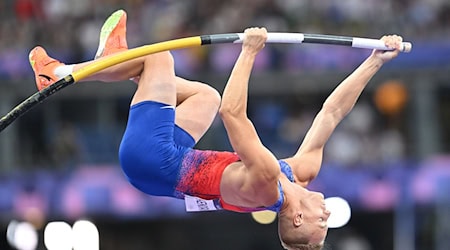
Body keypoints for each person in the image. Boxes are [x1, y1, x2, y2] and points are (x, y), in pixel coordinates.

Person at [29, 9, 404, 250]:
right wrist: (375, 62)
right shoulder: (300, 172)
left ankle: (63, 73)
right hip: (168, 166)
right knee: (203, 96)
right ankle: (109, 65)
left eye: (321, 225)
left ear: (298, 219)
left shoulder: (266, 181)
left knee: (160, 57)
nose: (327, 216)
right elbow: (331, 112)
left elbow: (233, 113)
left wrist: (249, 52)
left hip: (153, 160)